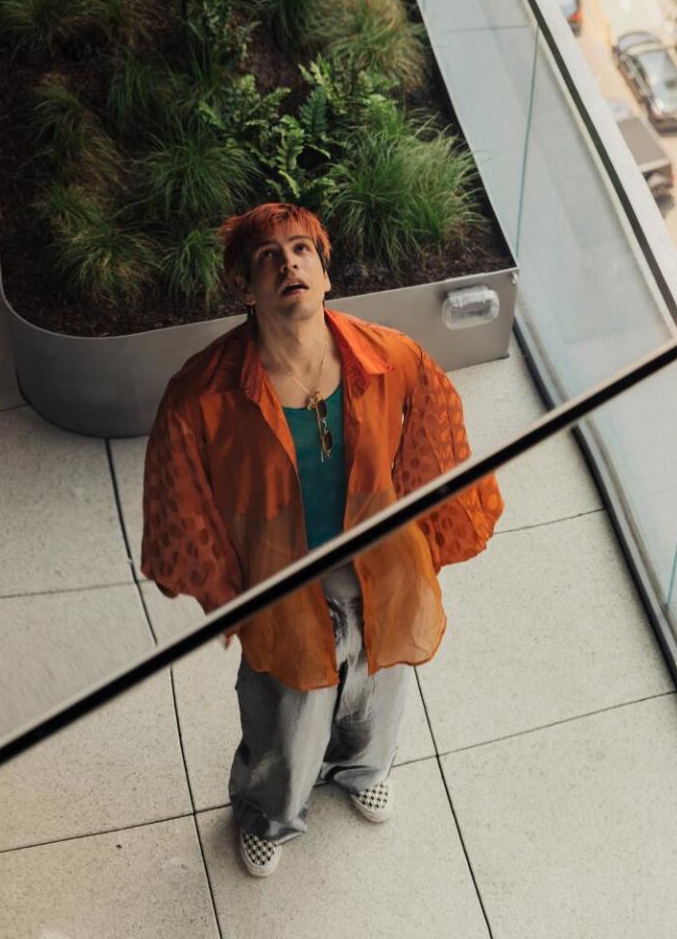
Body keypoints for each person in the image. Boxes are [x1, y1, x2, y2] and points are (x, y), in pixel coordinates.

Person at [140, 202, 503, 878]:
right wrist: (228, 592)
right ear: (246, 289)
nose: (289, 264)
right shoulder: (202, 394)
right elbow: (181, 496)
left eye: (302, 249)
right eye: (268, 257)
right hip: (282, 575)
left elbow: (437, 445)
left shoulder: (391, 358)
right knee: (285, 710)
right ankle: (267, 813)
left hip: (381, 562)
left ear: (326, 274)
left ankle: (362, 766)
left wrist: (428, 539)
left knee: (382, 677)